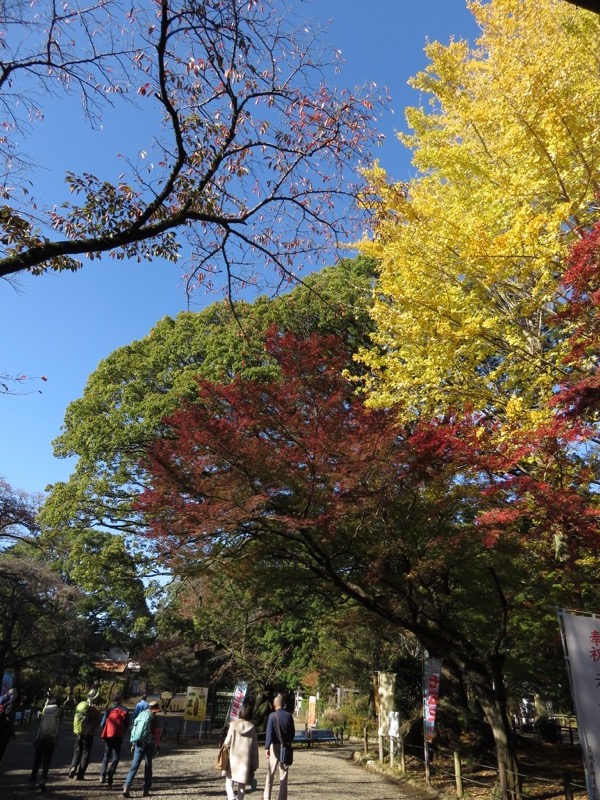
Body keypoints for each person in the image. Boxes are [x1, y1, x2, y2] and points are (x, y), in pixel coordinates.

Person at [122, 699, 161, 798]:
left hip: (138, 743)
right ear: (155, 710)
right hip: (148, 744)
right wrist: (158, 745)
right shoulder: (154, 718)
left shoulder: (141, 715)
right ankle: (146, 789)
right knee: (148, 767)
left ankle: (126, 787)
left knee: (134, 766)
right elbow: (156, 733)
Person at [223, 704, 259, 800]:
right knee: (242, 784)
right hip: (245, 760)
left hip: (233, 758)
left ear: (240, 713)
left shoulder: (233, 725)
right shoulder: (252, 728)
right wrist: (255, 764)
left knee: (229, 782)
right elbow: (255, 748)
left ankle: (231, 798)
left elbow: (227, 742)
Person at [263, 695, 295, 800]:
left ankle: (267, 796)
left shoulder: (272, 716)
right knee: (284, 774)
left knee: (271, 773)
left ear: (274, 705)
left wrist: (267, 747)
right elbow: (292, 733)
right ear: (283, 704)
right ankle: (282, 798)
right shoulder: (289, 716)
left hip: (274, 747)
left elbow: (269, 732)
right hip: (285, 747)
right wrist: (287, 742)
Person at [69, 689, 102, 780]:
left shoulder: (81, 706)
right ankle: (80, 774)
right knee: (86, 753)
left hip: (79, 732)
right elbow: (97, 722)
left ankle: (73, 767)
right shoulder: (97, 709)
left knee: (77, 751)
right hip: (89, 734)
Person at [30, 696, 61, 792]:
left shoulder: (45, 711)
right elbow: (58, 728)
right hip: (51, 738)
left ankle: (32, 780)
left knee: (37, 760)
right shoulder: (58, 713)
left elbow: (39, 726)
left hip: (41, 737)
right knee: (46, 761)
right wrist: (56, 739)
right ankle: (43, 779)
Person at [99, 693, 130, 786]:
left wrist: (106, 730)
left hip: (109, 735)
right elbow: (127, 724)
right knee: (116, 756)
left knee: (106, 755)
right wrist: (123, 732)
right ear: (120, 699)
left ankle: (102, 775)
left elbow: (102, 723)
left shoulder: (109, 709)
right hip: (119, 735)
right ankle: (111, 772)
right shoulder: (125, 710)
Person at [0, 687, 18, 768]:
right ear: (14, 695)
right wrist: (12, 735)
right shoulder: (11, 705)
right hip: (4, 733)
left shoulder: (1, 700)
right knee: (1, 752)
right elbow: (10, 721)